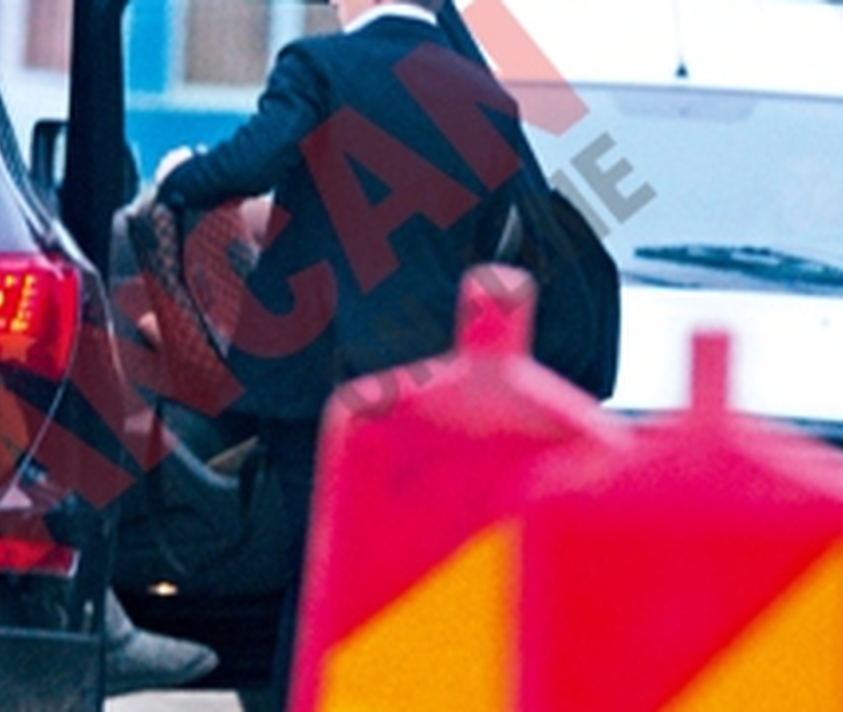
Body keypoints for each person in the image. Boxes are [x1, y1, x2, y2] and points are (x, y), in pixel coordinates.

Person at [154, 0, 596, 707]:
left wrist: (179, 177)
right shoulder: (486, 96)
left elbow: (253, 160)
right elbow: (497, 238)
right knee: (401, 564)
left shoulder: (322, 65)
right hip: (426, 381)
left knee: (313, 567)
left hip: (313, 380)